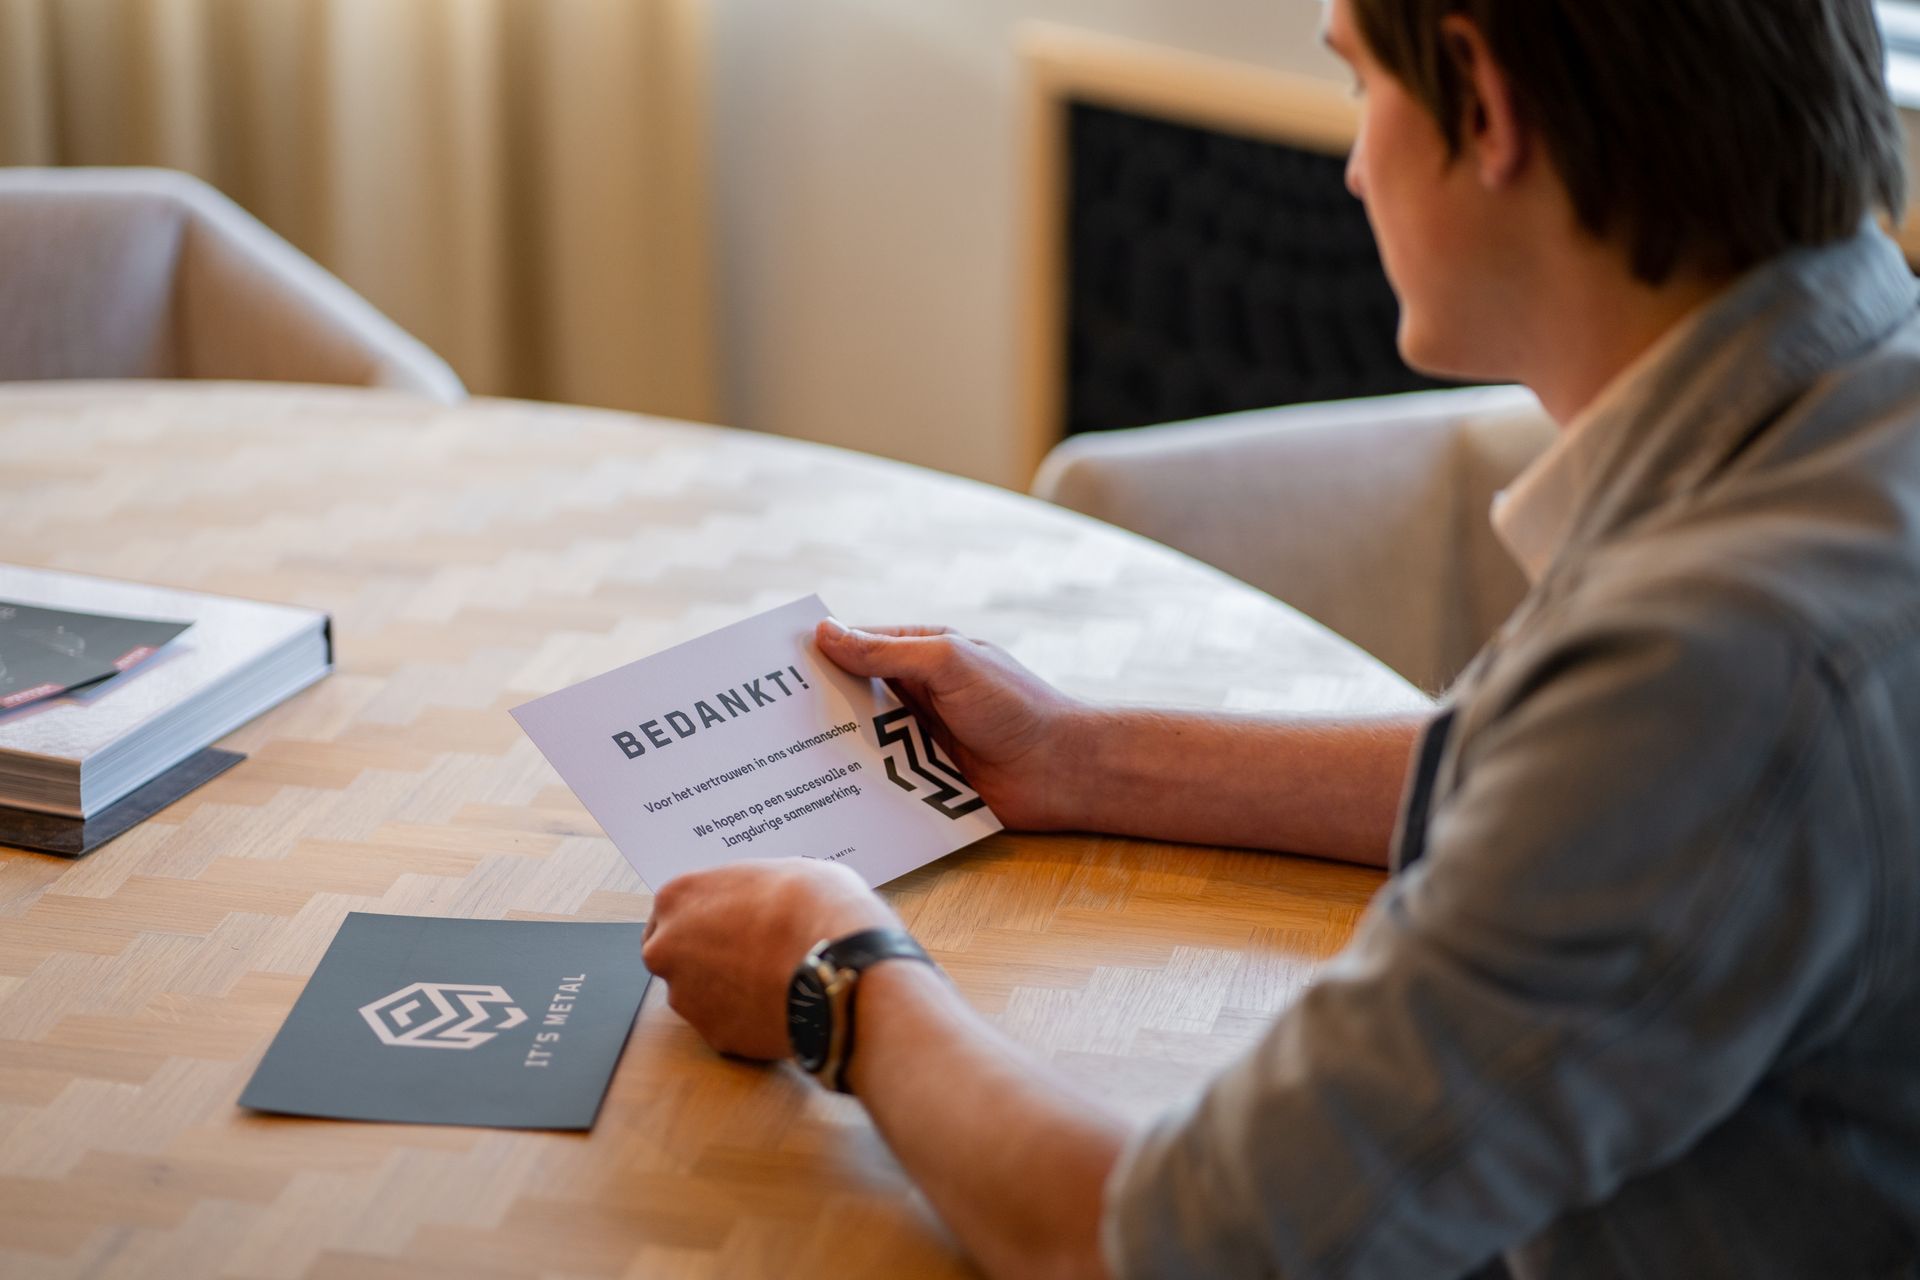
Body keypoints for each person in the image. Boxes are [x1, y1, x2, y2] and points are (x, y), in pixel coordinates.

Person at [641, 0, 1920, 1274]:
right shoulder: (1846, 426)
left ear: (1483, 105)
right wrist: (1077, 754)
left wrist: (837, 973)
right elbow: (1540, 773)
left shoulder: (1711, 666)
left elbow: (1166, 1244)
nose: (1355, 165)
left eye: (1362, 86)